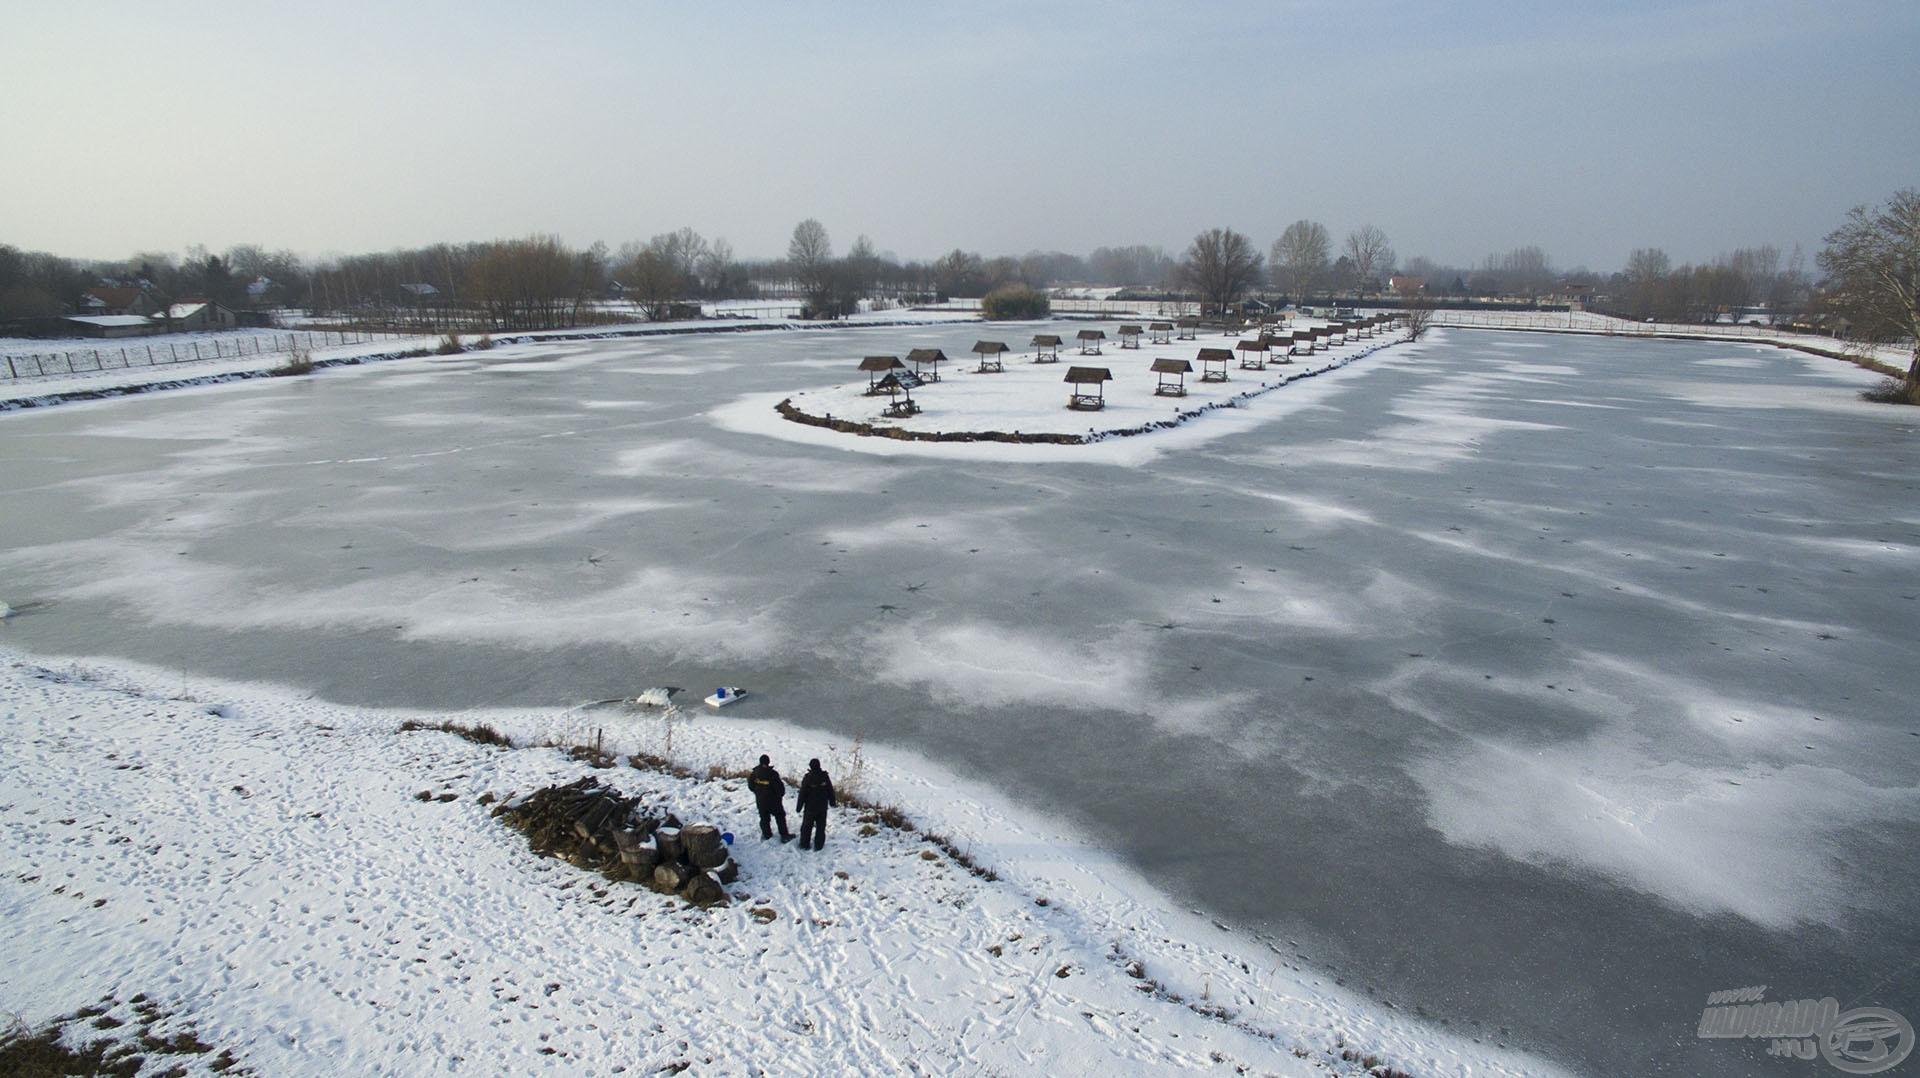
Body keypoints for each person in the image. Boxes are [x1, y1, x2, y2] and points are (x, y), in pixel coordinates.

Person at [749, 754, 792, 843]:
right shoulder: (773, 774)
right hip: (773, 801)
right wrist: (780, 795)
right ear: (768, 762)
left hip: (761, 800)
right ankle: (784, 835)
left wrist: (758, 792)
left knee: (764, 817)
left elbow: (751, 786)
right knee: (780, 816)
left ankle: (767, 834)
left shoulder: (754, 773)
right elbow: (779, 788)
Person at [795, 758, 836, 851]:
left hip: (810, 807)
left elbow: (802, 794)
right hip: (822, 806)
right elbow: (830, 790)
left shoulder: (807, 778)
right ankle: (819, 844)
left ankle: (804, 844)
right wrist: (832, 802)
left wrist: (799, 807)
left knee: (807, 826)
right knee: (821, 826)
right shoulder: (824, 776)